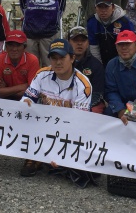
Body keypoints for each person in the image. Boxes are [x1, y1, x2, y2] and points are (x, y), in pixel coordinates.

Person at [19, 38, 92, 178]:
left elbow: (79, 122)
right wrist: (25, 102)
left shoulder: (83, 84)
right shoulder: (41, 75)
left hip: (70, 127)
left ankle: (54, 155)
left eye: (62, 58)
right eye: (54, 58)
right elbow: (28, 98)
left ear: (72, 58)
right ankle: (33, 157)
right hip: (44, 123)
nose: (58, 62)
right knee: (26, 112)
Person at [104, 30, 136, 118]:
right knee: (107, 113)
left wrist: (135, 110)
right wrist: (120, 110)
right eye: (120, 44)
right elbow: (111, 91)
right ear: (116, 47)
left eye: (127, 44)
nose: (124, 48)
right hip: (122, 105)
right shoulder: (111, 65)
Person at [86, 0, 135, 66]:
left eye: (106, 7)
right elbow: (94, 47)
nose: (103, 10)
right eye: (100, 7)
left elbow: (130, 46)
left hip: (121, 58)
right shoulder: (92, 22)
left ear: (113, 8)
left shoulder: (125, 22)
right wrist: (99, 66)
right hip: (100, 57)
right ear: (95, 8)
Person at [0, 30, 40, 101]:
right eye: (11, 45)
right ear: (6, 47)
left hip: (26, 101)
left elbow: (33, 92)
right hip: (4, 101)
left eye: (18, 45)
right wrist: (22, 87)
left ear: (24, 47)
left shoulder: (32, 60)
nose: (14, 49)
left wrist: (6, 89)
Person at [68, 26, 105, 113]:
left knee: (97, 109)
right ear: (68, 42)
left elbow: (97, 93)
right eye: (75, 40)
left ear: (88, 43)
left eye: (83, 41)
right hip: (65, 101)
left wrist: (80, 107)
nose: (79, 44)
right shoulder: (62, 63)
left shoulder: (96, 65)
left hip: (88, 104)